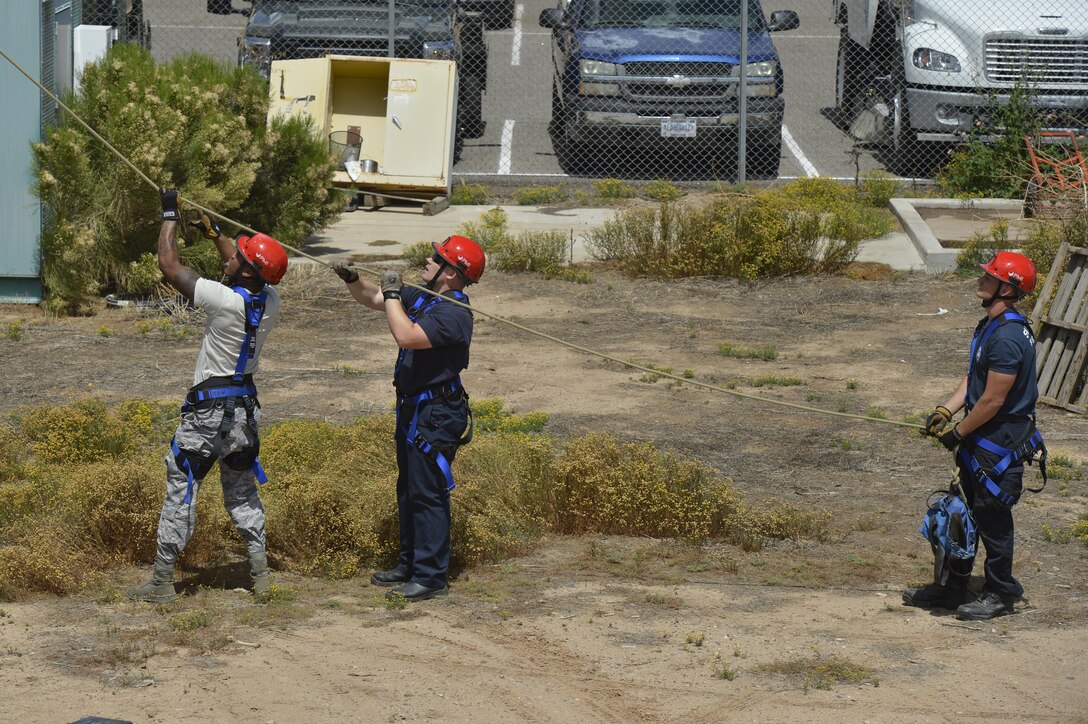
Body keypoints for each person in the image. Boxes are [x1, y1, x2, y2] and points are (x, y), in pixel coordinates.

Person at [128, 188, 288, 604]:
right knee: (242, 494)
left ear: (247, 271)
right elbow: (239, 266)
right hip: (244, 416)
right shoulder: (269, 300)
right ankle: (261, 576)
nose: (228, 257)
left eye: (237, 255)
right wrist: (216, 234)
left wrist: (169, 214)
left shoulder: (224, 301)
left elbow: (170, 266)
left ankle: (163, 581)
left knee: (182, 488)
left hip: (206, 415)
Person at [331, 235, 485, 602]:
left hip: (436, 414)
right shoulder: (428, 297)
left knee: (429, 492)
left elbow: (405, 334)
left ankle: (431, 577)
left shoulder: (454, 314)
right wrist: (354, 280)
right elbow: (376, 299)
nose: (427, 262)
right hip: (416, 407)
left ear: (450, 272)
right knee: (410, 488)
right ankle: (410, 563)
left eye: (435, 259)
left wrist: (394, 294)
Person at [905, 252, 1046, 621]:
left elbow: (994, 399)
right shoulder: (989, 326)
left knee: (992, 519)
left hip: (997, 441)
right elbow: (973, 380)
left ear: (1008, 288)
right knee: (960, 515)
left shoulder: (1008, 338)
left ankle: (999, 593)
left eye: (988, 277)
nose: (979, 280)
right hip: (979, 437)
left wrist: (958, 433)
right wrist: (946, 411)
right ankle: (954, 587)